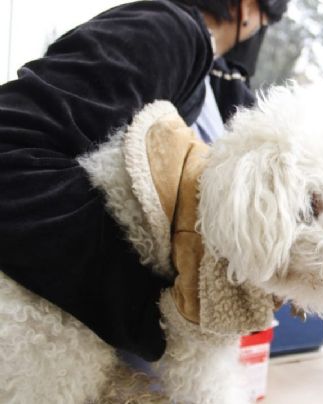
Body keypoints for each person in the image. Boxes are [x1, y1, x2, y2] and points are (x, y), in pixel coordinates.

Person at [0, 0, 287, 363]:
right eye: (266, 21)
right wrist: (153, 312)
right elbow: (9, 154)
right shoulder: (165, 31)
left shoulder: (225, 87)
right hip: (43, 353)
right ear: (248, 9)